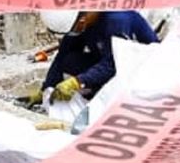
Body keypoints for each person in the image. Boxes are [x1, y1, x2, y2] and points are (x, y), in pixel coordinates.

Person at [29, 10, 159, 103]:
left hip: (139, 66)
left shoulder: (117, 19)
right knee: (70, 60)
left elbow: (114, 63)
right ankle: (98, 90)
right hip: (109, 59)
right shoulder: (79, 21)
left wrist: (78, 82)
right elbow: (63, 54)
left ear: (82, 20)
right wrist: (46, 88)